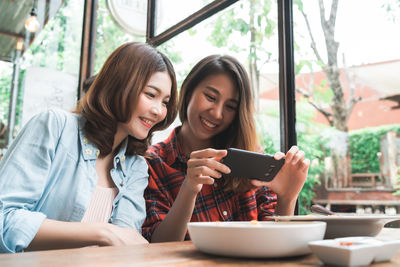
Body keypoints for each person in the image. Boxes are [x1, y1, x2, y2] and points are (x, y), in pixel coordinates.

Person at [0, 42, 177, 253]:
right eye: (150, 95)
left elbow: (125, 246)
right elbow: (4, 219)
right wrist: (102, 233)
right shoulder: (54, 126)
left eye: (165, 102)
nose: (159, 111)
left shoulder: (136, 166)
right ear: (119, 85)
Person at [143, 55, 310, 242]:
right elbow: (155, 245)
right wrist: (189, 189)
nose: (217, 113)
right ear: (188, 91)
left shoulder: (251, 157)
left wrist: (287, 197)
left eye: (230, 107)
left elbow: (276, 242)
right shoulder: (153, 162)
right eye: (210, 97)